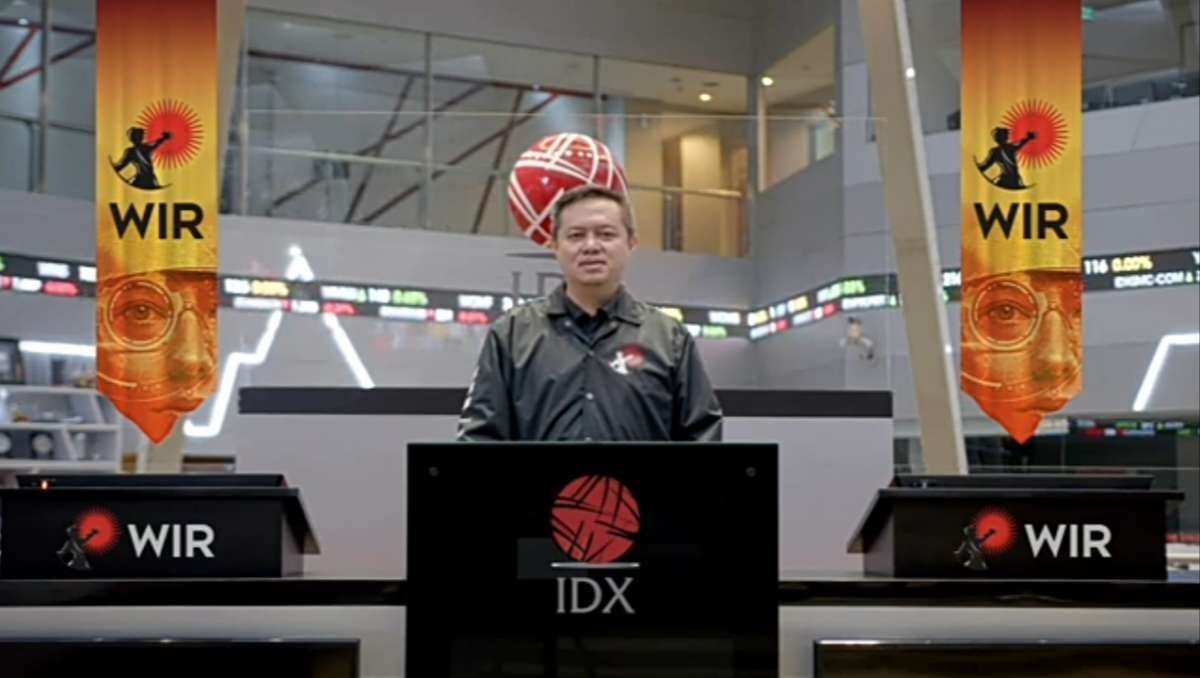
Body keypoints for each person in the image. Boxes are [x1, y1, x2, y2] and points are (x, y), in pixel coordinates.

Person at [457, 185, 723, 442]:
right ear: (554, 245)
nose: (591, 246)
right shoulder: (512, 334)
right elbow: (480, 436)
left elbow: (702, 437)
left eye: (606, 234)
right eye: (576, 236)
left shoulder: (669, 339)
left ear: (631, 243)